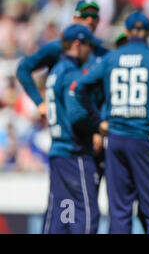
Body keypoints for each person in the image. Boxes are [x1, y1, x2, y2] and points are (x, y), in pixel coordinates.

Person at [74, 11, 149, 234]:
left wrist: (98, 122)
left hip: (116, 138)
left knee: (119, 211)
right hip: (145, 139)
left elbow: (80, 87)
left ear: (126, 32)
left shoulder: (111, 58)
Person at [16, 0, 109, 181]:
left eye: (94, 16)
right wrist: (39, 102)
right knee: (72, 196)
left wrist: (98, 129)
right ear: (75, 18)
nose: (90, 20)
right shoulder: (58, 49)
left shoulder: (102, 53)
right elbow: (23, 69)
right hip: (69, 136)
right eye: (85, 16)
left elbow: (107, 94)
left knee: (90, 191)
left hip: (95, 132)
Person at [42, 24, 101, 234]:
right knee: (86, 213)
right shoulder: (71, 73)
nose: (90, 51)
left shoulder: (56, 70)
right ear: (77, 44)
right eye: (88, 46)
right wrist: (98, 127)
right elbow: (77, 114)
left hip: (58, 151)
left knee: (61, 213)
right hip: (74, 152)